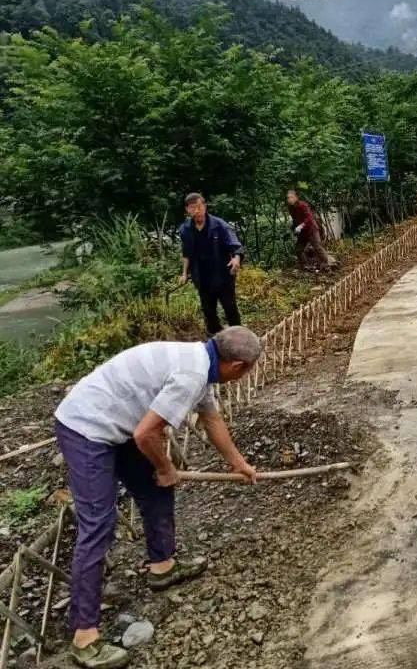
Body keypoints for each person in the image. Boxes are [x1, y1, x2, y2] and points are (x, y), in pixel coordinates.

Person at [54, 327, 262, 668]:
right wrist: (166, 467)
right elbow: (146, 433)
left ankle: (162, 567)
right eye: (247, 372)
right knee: (98, 525)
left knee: (155, 489)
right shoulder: (191, 374)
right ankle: (84, 638)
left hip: (117, 422)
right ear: (237, 366)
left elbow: (211, 419)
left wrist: (240, 465)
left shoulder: (201, 362)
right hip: (85, 427)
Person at [179, 194, 244, 336]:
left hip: (222, 276)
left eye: (199, 206)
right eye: (192, 207)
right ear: (187, 210)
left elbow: (235, 244)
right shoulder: (185, 229)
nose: (197, 210)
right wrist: (184, 273)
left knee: (230, 308)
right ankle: (217, 339)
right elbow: (186, 253)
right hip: (202, 278)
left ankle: (239, 337)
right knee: (209, 312)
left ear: (204, 206)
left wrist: (236, 259)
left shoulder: (219, 225)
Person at [286, 189, 333, 269]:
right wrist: (292, 228)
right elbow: (295, 220)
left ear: (296, 197)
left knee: (317, 246)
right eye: (288, 198)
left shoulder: (303, 205)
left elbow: (309, 218)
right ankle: (305, 265)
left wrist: (301, 225)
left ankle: (325, 264)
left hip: (311, 230)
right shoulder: (290, 208)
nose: (289, 199)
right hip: (302, 233)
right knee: (298, 249)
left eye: (291, 197)